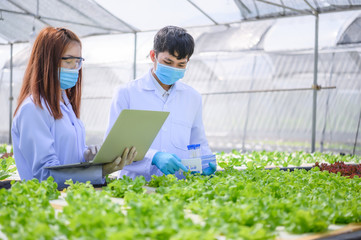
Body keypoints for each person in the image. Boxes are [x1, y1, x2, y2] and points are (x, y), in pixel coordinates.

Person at [11, 27, 137, 189]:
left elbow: (70, 155)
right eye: (68, 61)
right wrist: (100, 171)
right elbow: (45, 175)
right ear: (46, 61)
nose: (74, 68)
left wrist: (94, 154)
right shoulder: (33, 109)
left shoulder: (64, 103)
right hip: (48, 202)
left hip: (70, 195)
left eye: (77, 61)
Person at [105, 26, 216, 181]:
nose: (174, 68)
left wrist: (206, 160)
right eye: (168, 61)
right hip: (134, 187)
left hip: (178, 186)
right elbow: (114, 149)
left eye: (181, 64)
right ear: (153, 56)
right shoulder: (127, 93)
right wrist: (153, 157)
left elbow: (197, 142)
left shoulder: (193, 98)